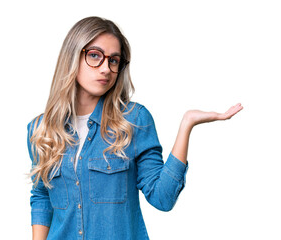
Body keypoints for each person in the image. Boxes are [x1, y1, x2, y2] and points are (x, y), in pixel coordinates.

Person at [26, 16, 243, 240]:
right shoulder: (41, 130)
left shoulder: (134, 120)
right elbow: (42, 198)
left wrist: (186, 125)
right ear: (72, 56)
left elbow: (163, 199)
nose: (105, 69)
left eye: (114, 60)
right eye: (94, 56)